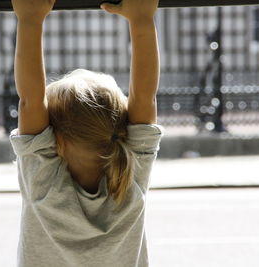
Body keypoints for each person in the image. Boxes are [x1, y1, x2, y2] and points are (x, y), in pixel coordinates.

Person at [9, 0, 163, 266]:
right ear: (121, 127)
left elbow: (30, 101)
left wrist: (30, 19)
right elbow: (145, 99)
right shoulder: (130, 177)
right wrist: (142, 20)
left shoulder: (44, 184)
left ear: (56, 138)